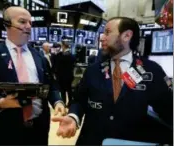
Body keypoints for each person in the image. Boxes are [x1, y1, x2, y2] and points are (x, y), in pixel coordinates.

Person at [52, 17, 173, 145]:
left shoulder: (152, 70)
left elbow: (168, 109)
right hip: (93, 141)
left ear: (126, 36)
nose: (102, 37)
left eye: (107, 32)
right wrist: (73, 117)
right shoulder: (93, 70)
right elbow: (79, 100)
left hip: (131, 142)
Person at [0, 6, 65, 145]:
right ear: (7, 24)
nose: (28, 26)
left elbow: (51, 86)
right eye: (23, 22)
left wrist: (57, 101)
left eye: (30, 23)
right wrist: (1, 102)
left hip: (39, 129)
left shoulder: (39, 56)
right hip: (5, 130)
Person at [52, 40, 75, 107]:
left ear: (63, 46)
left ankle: (64, 103)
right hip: (70, 76)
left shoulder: (60, 55)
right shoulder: (72, 55)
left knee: (62, 91)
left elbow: (56, 65)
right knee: (69, 90)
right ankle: (70, 103)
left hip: (61, 77)